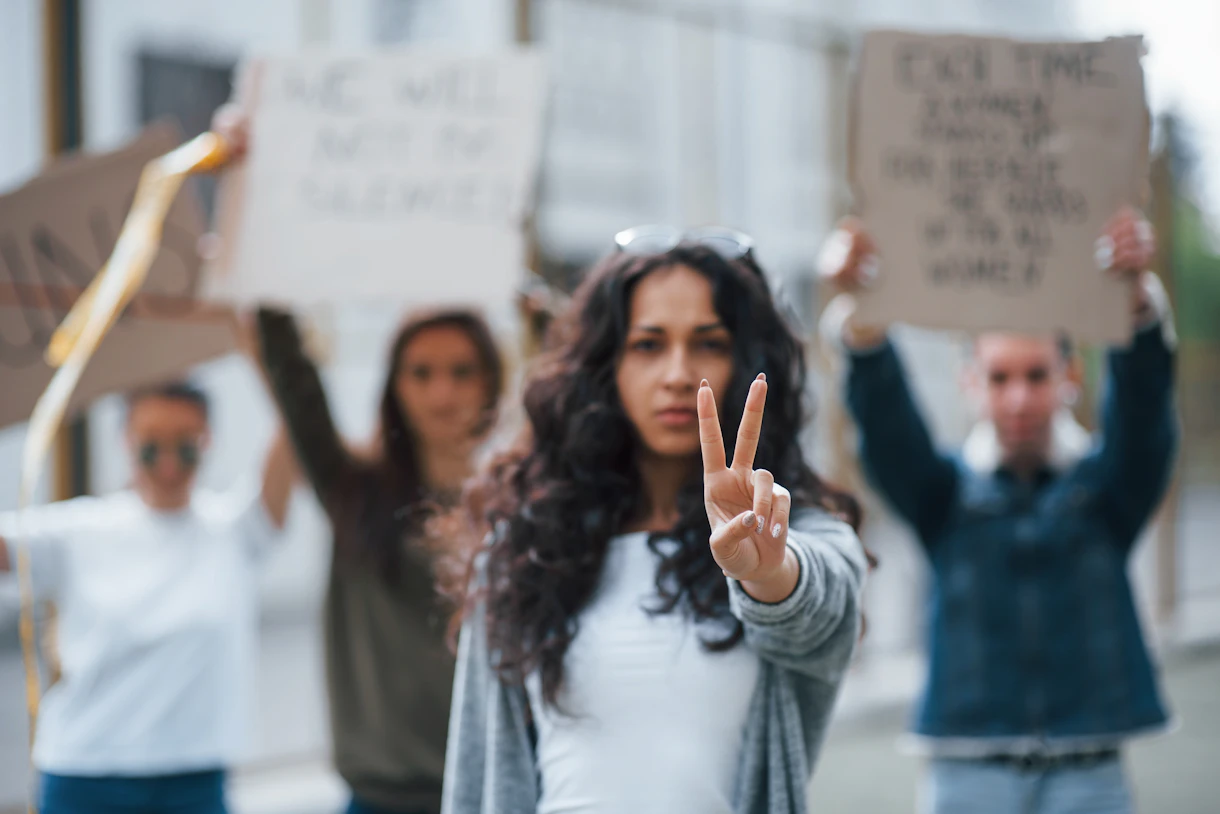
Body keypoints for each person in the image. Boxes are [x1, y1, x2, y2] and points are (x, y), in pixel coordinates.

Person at [441, 227, 870, 814]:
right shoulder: (525, 546)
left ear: (747, 362)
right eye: (648, 344)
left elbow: (822, 603)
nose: (676, 373)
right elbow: (475, 777)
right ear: (605, 365)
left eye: (708, 343)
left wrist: (766, 574)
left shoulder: (795, 533)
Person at [818, 207, 1176, 814]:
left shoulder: (1108, 490)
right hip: (967, 772)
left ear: (1070, 375)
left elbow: (1143, 416)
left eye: (1036, 375)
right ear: (969, 382)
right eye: (999, 375)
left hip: (1090, 769)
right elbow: (886, 427)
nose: (1018, 397)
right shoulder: (944, 495)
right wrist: (864, 320)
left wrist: (1135, 301)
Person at [0, 380, 296, 814]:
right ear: (127, 441)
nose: (170, 465)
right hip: (85, 773)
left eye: (186, 447)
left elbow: (294, 432)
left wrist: (270, 356)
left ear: (207, 440)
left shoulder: (235, 530)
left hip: (194, 776)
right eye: (151, 448)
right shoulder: (84, 530)